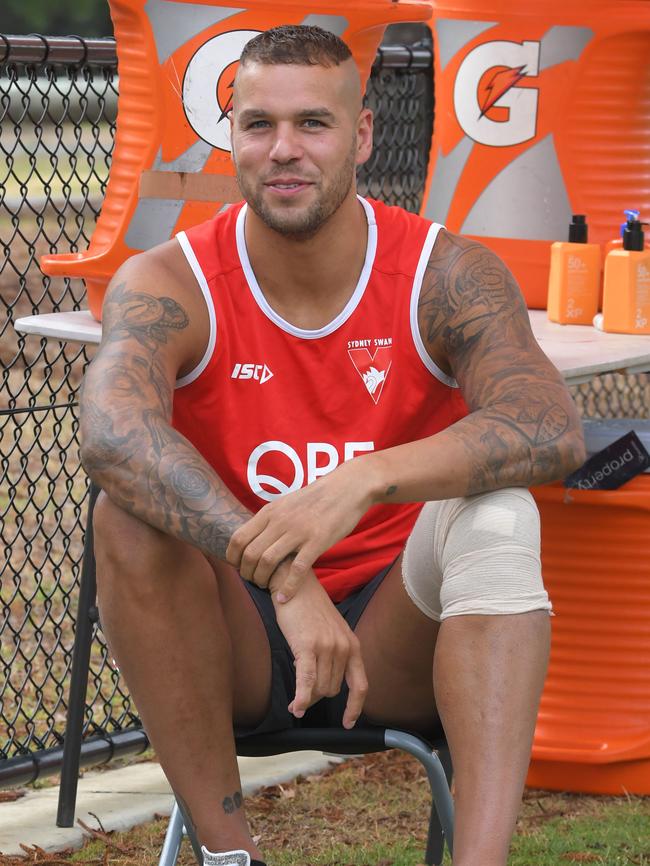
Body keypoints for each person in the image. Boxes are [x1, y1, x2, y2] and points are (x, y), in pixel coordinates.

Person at [80, 24, 585, 866]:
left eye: (313, 124)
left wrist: (364, 480)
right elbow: (111, 434)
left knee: (501, 515)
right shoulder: (171, 279)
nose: (285, 150)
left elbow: (548, 425)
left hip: (396, 639)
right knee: (124, 516)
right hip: (238, 643)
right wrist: (283, 570)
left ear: (363, 135)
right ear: (229, 134)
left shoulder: (443, 270)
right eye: (258, 125)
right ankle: (231, 856)